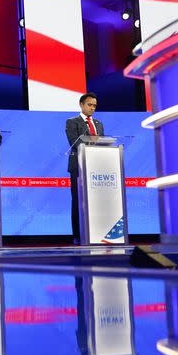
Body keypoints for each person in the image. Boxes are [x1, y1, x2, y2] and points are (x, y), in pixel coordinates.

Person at [65, 93, 104, 243]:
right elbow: (74, 143)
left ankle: (97, 233)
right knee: (78, 200)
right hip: (78, 166)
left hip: (97, 166)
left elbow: (103, 142)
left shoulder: (99, 123)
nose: (92, 108)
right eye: (89, 105)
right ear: (81, 105)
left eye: (94, 106)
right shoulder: (72, 122)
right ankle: (77, 235)